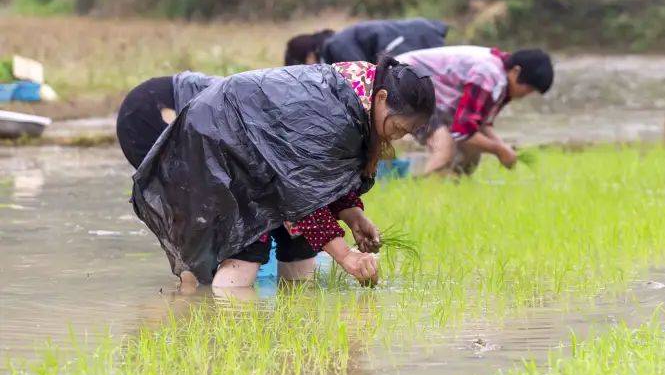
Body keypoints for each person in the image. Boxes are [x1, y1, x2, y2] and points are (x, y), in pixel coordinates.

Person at [117, 58, 435, 287]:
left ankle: (284, 345)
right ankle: (206, 322)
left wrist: (354, 216)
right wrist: (346, 257)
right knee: (244, 248)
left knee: (298, 248)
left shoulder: (356, 98)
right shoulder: (336, 110)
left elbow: (322, 176)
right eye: (398, 127)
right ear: (381, 99)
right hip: (218, 150)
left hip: (252, 154)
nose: (398, 137)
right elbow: (301, 196)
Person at [395, 46, 554, 175]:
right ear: (516, 71)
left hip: (429, 93)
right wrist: (499, 150)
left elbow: (480, 124)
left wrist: (502, 147)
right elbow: (463, 132)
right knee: (444, 145)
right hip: (402, 80)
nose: (526, 94)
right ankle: (422, 191)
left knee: (471, 154)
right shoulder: (489, 75)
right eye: (528, 88)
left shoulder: (501, 81)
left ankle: (447, 189)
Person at [284, 18, 449, 66]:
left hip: (416, 37)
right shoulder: (336, 45)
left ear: (309, 56)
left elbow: (364, 75)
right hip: (420, 32)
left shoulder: (335, 46)